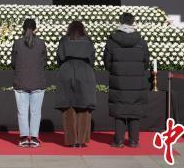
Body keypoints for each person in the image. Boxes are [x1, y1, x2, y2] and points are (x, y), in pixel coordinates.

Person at [103, 12, 149, 148]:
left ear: (120, 21)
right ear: (133, 22)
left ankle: (119, 140)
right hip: (137, 81)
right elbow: (146, 62)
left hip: (119, 81)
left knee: (120, 110)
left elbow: (107, 62)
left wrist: (117, 70)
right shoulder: (141, 41)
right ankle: (134, 141)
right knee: (135, 110)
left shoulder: (112, 41)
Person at [55, 21, 96, 148]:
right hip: (84, 72)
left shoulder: (64, 40)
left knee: (68, 106)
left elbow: (59, 57)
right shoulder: (87, 41)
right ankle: (81, 140)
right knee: (84, 106)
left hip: (66, 70)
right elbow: (92, 59)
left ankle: (71, 140)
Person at [11, 18, 47, 148]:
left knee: (22, 111)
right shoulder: (41, 43)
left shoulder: (17, 43)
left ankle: (24, 138)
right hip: (37, 81)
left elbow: (13, 63)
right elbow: (44, 62)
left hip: (21, 81)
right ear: (35, 29)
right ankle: (35, 138)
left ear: (23, 28)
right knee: (35, 112)